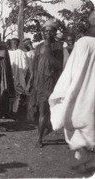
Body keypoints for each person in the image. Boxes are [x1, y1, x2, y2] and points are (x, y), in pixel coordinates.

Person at [49, 5, 95, 172]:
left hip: (81, 95)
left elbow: (70, 71)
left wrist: (61, 91)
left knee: (79, 129)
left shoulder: (82, 43)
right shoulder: (82, 42)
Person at [28, 19, 64, 148]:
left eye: (51, 31)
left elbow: (59, 65)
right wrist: (31, 79)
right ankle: (45, 127)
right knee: (34, 111)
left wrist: (48, 54)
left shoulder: (59, 46)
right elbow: (35, 65)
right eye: (46, 31)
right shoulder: (38, 47)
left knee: (43, 110)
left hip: (50, 82)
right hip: (38, 82)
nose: (48, 33)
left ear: (54, 32)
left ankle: (39, 138)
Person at [8, 38, 29, 114]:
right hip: (17, 75)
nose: (14, 44)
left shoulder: (20, 53)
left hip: (12, 75)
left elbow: (25, 66)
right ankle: (13, 110)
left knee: (13, 93)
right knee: (16, 93)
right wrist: (22, 74)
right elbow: (25, 66)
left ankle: (11, 110)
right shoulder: (21, 53)